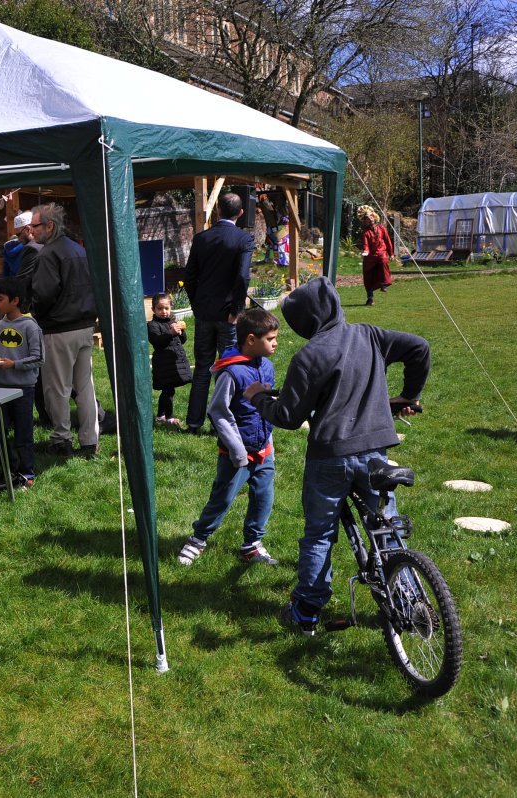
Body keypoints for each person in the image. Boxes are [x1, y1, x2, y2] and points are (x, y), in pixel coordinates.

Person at [244, 277, 429, 635]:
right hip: (375, 451)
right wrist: (409, 395)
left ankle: (306, 611)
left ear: (305, 321)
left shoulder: (308, 356)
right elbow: (419, 348)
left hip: (329, 455)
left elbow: (288, 416)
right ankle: (408, 604)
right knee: (386, 528)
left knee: (319, 534)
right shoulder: (369, 335)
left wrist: (259, 397)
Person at [176, 308, 281, 567]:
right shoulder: (231, 372)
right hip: (236, 455)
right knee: (222, 498)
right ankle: (198, 539)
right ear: (251, 340)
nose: (276, 343)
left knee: (263, 498)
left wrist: (268, 442)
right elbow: (219, 411)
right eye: (270, 339)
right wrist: (237, 450)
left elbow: (265, 407)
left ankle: (252, 545)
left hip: (263, 452)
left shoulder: (267, 367)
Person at [28, 202, 100, 458]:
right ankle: (89, 440)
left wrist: (36, 313)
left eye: (34, 226)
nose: (31, 231)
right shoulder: (78, 249)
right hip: (84, 326)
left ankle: (62, 439)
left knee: (57, 388)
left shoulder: (48, 254)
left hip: (59, 329)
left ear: (49, 226)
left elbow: (44, 294)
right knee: (84, 387)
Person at [183, 192, 254, 434]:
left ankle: (194, 422)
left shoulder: (201, 238)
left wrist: (197, 305)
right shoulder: (243, 239)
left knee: (203, 367)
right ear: (241, 213)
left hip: (205, 312)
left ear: (218, 211)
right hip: (227, 315)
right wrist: (237, 311)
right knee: (227, 370)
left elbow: (189, 277)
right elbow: (243, 277)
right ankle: (220, 424)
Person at [0, 276, 44, 489]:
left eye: (0, 299)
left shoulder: (30, 327)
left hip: (23, 389)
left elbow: (39, 358)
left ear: (15, 301)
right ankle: (9, 470)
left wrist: (14, 364)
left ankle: (26, 472)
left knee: (23, 434)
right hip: (1, 388)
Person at [146, 292, 192, 426]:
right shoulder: (152, 325)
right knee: (168, 391)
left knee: (168, 390)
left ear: (171, 308)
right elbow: (157, 342)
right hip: (163, 364)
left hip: (173, 363)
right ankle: (169, 417)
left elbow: (182, 341)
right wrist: (170, 333)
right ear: (153, 309)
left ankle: (160, 415)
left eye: (166, 308)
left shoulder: (173, 322)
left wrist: (181, 333)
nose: (164, 311)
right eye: (160, 308)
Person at [359, 205, 393, 306]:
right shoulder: (365, 233)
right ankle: (370, 298)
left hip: (381, 253)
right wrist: (365, 251)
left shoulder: (381, 228)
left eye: (371, 217)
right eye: (367, 219)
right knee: (368, 278)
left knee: (383, 261)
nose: (370, 220)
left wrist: (391, 253)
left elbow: (387, 241)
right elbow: (365, 245)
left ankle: (384, 284)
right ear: (365, 221)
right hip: (370, 258)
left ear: (374, 217)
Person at [2, 211, 42, 278]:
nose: (19, 239)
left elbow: (6, 272)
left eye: (18, 234)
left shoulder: (32, 249)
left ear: (28, 229)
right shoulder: (33, 248)